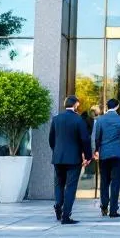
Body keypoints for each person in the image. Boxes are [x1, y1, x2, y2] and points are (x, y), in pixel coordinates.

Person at [47, 95, 91, 225]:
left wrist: (56, 151)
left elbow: (51, 139)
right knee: (70, 187)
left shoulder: (56, 119)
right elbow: (85, 140)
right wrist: (88, 157)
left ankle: (58, 205)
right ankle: (66, 216)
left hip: (58, 158)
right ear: (76, 105)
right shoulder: (78, 120)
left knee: (59, 184)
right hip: (73, 159)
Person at [92, 98, 120, 218]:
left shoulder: (100, 120)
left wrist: (96, 151)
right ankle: (113, 210)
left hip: (104, 155)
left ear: (107, 106)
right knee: (115, 182)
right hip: (118, 155)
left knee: (104, 181)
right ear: (118, 106)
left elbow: (96, 137)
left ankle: (104, 206)